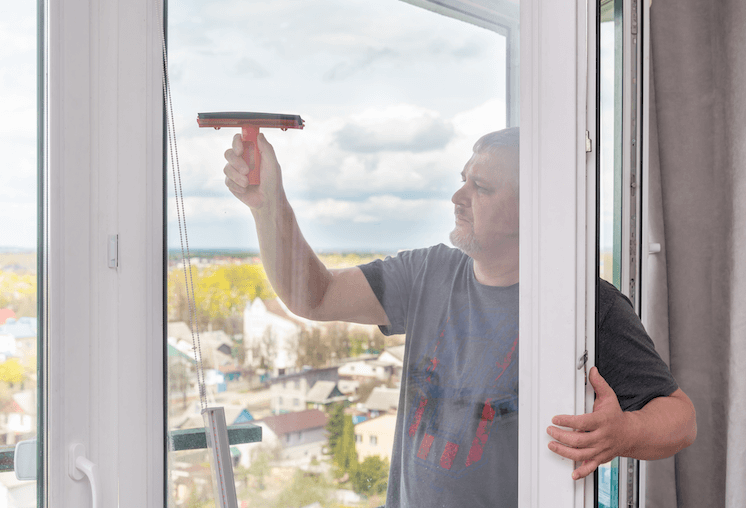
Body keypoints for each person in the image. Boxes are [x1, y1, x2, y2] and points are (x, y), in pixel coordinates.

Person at [223, 127, 696, 507]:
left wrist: (622, 433)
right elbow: (316, 296)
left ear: (532, 208)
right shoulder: (428, 272)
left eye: (481, 187)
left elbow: (680, 418)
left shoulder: (584, 304)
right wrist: (269, 204)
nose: (457, 196)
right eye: (463, 178)